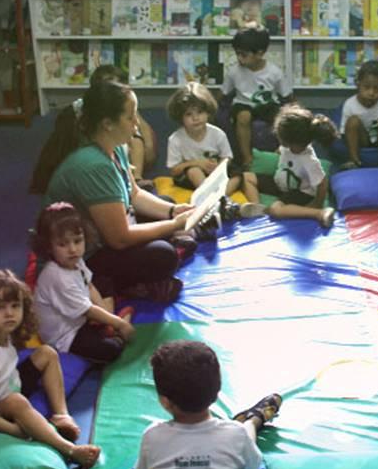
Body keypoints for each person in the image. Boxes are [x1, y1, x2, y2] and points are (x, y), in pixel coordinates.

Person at [29, 80, 191, 302]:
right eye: (130, 117)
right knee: (164, 255)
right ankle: (114, 284)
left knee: (165, 201)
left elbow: (134, 194)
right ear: (108, 124)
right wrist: (174, 225)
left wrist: (173, 211)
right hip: (81, 254)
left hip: (105, 230)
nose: (137, 123)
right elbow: (119, 239)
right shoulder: (94, 165)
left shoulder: (116, 147)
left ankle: (138, 276)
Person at [0, 270, 101, 469]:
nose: (9, 313)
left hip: (8, 387)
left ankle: (62, 415)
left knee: (47, 353)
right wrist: (12, 429)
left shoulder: (3, 333)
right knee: (16, 401)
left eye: (15, 306)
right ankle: (69, 449)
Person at [135, 340, 282, 469]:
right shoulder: (236, 434)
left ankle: (250, 422)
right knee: (241, 438)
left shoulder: (152, 436)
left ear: (164, 401)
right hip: (235, 443)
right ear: (217, 391)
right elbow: (253, 467)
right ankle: (253, 422)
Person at [32, 202, 135, 365]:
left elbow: (89, 286)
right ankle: (114, 331)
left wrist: (109, 319)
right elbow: (88, 310)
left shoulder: (75, 261)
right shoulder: (57, 277)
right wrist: (119, 323)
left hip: (78, 317)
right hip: (65, 335)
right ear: (49, 247)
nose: (73, 249)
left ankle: (107, 327)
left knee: (104, 283)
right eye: (63, 244)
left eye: (78, 241)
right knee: (110, 350)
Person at [165, 81, 266, 221]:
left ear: (208, 112)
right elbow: (174, 170)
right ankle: (214, 200)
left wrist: (218, 169)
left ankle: (229, 201)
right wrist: (196, 163)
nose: (195, 118)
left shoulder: (217, 134)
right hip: (190, 178)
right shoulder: (176, 139)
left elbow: (227, 157)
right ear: (180, 117)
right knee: (194, 171)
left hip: (215, 176)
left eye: (200, 112)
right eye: (189, 114)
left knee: (239, 175)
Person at [222, 23, 293, 168]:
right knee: (243, 116)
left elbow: (287, 95)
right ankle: (247, 158)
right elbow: (224, 93)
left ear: (259, 53)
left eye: (244, 55)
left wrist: (293, 111)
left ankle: (282, 151)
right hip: (243, 104)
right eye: (237, 54)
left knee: (281, 119)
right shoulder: (234, 71)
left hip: (268, 105)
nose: (239, 58)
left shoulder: (274, 72)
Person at [257, 104, 338, 228]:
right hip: (281, 184)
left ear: (288, 140)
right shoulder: (287, 147)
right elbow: (279, 151)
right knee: (247, 177)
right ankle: (257, 207)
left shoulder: (308, 160)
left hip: (300, 192)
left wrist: (317, 204)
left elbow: (322, 183)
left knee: (275, 210)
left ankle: (320, 213)